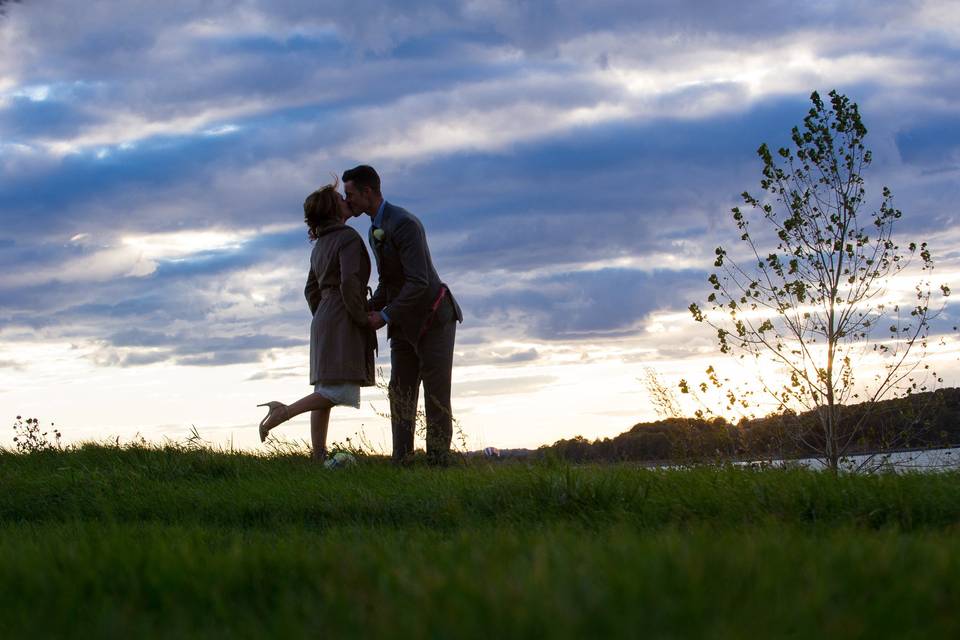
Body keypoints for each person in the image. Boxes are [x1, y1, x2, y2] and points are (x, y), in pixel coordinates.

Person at [342, 165, 463, 465]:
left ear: (368, 192)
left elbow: (419, 281)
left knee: (436, 397)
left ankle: (438, 464)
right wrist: (364, 308)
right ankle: (402, 461)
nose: (348, 201)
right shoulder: (374, 229)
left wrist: (383, 315)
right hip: (402, 323)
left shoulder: (405, 224)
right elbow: (389, 282)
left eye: (351, 194)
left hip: (434, 319)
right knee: (400, 393)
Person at [257, 179, 375, 461]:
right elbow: (349, 283)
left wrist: (323, 313)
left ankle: (318, 455)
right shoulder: (347, 238)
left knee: (325, 388)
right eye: (340, 198)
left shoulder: (320, 244)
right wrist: (360, 316)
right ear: (334, 210)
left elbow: (310, 289)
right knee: (339, 389)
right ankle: (282, 412)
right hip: (342, 313)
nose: (346, 200)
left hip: (324, 314)